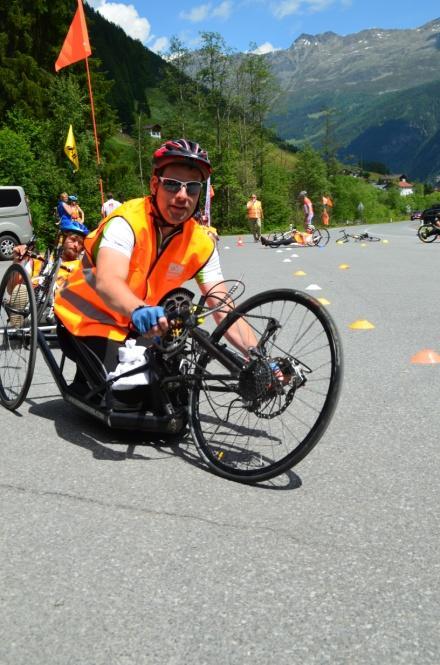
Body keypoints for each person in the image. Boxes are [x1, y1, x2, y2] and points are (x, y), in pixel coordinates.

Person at [54, 139, 258, 398]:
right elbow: (108, 281)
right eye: (172, 185)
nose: (183, 196)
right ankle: (88, 379)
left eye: (193, 188)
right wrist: (139, 309)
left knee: (173, 392)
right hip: (85, 320)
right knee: (133, 395)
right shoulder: (127, 222)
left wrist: (258, 357)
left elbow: (222, 304)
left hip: (136, 327)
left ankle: (100, 378)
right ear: (154, 185)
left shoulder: (201, 243)